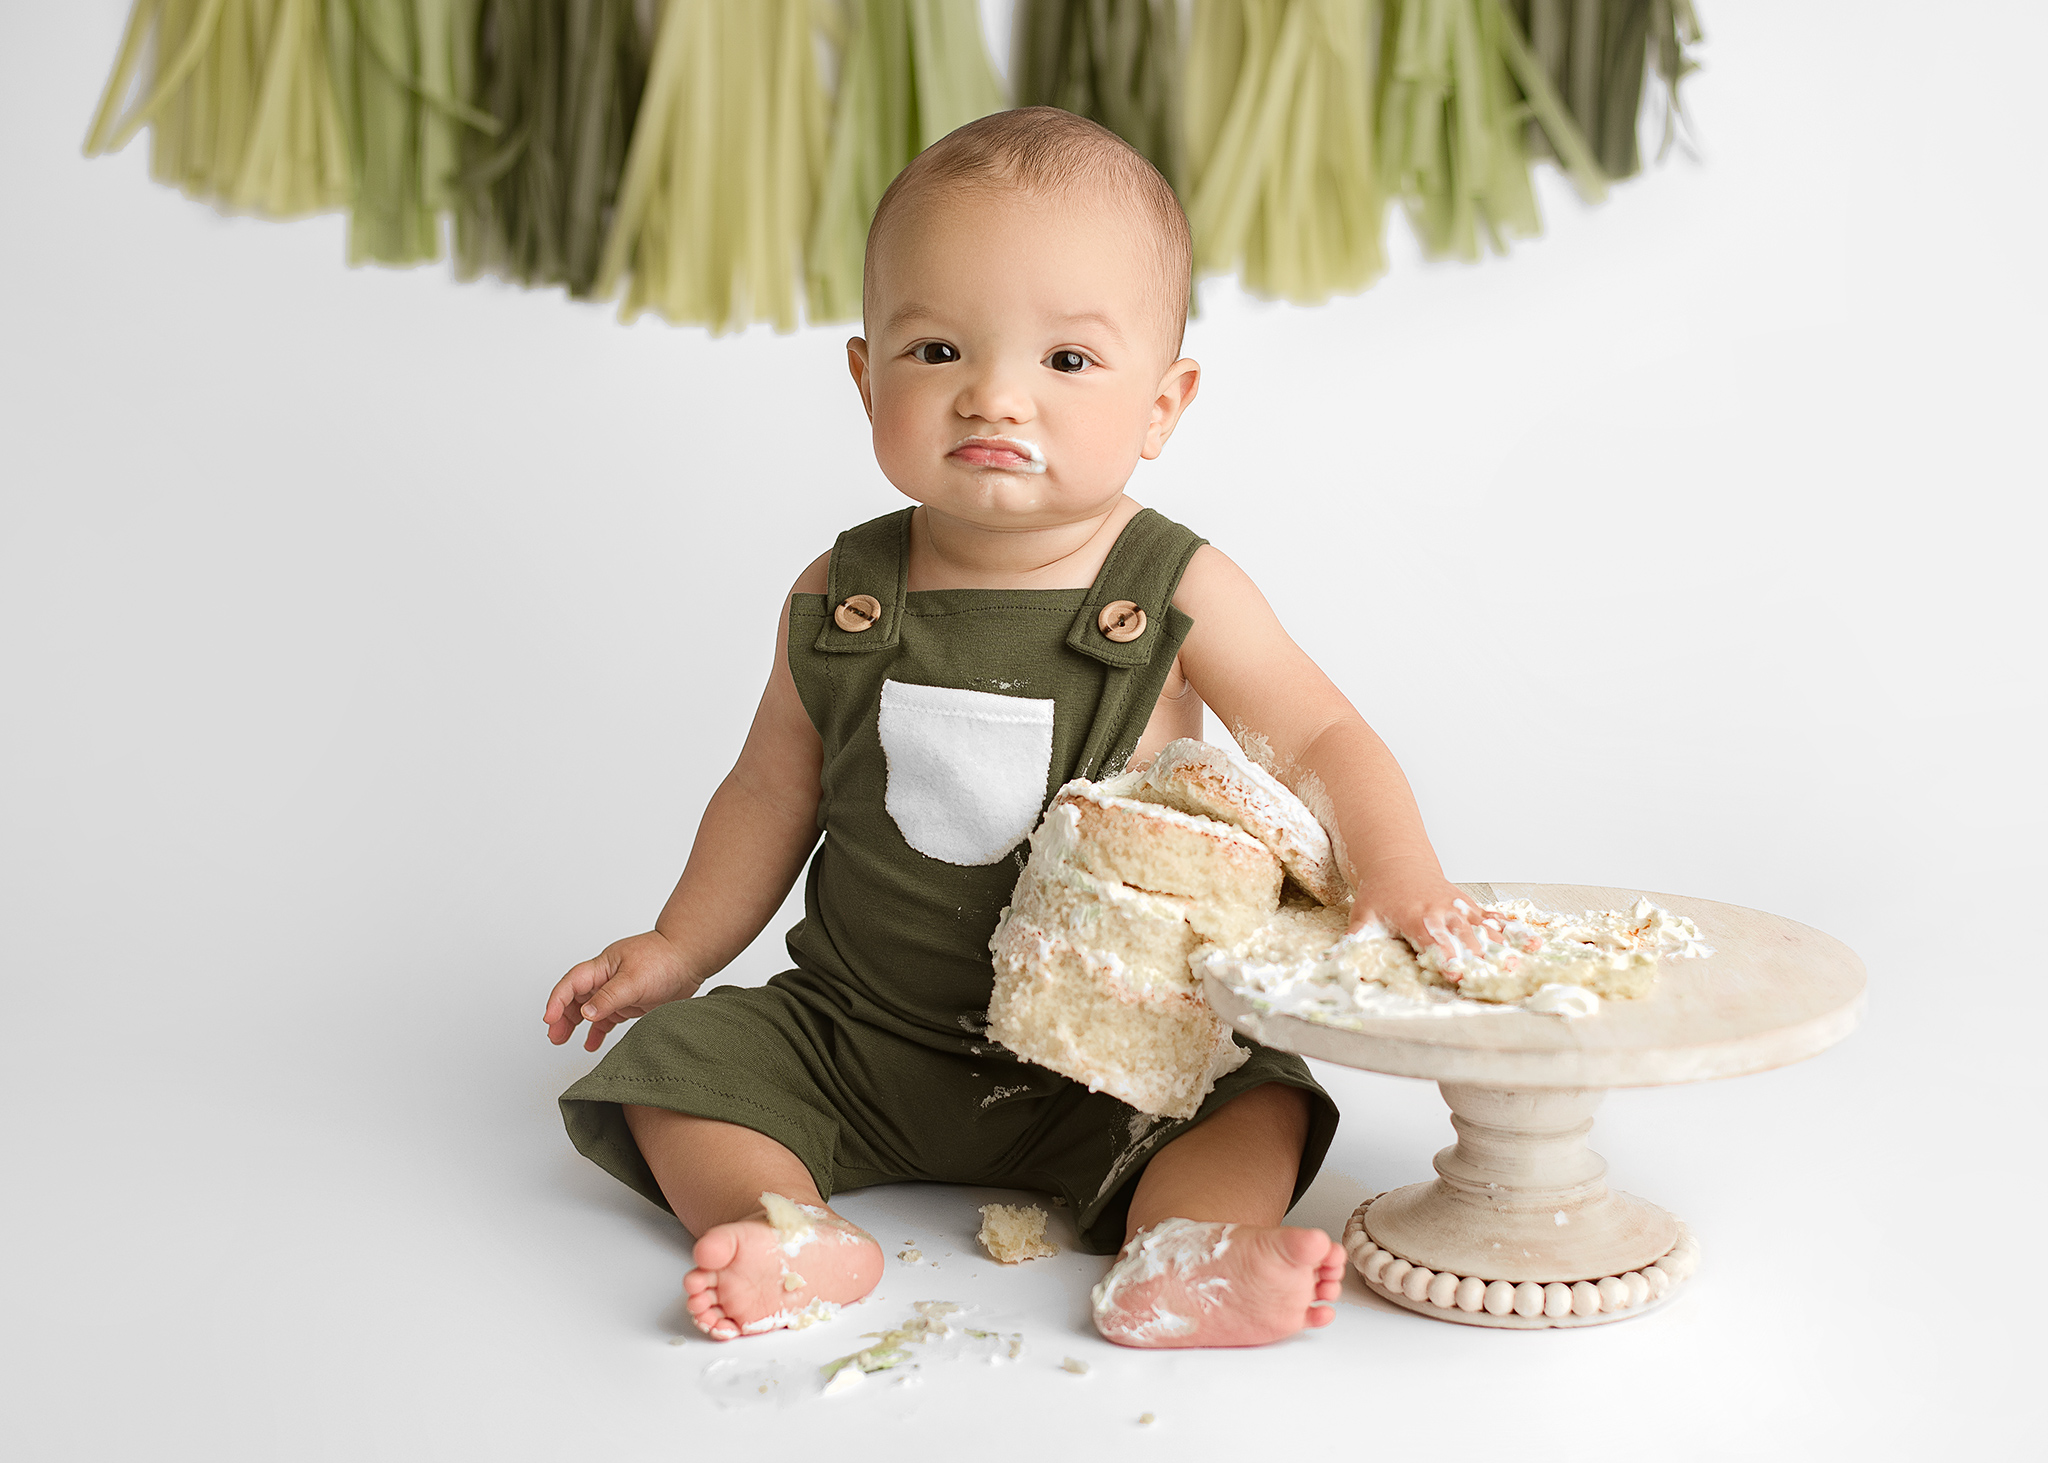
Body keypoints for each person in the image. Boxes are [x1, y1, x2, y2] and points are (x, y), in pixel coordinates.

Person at [544, 107, 1493, 1349]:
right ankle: (785, 1225)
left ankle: (1178, 1252)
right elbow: (768, 792)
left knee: (1255, 1100)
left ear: (1162, 404)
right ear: (863, 375)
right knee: (675, 1067)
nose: (993, 392)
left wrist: (1398, 875)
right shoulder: (838, 590)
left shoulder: (1172, 586)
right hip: (857, 1036)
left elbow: (1322, 736)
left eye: (1066, 361)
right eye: (935, 347)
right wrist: (679, 943)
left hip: (1115, 1058)